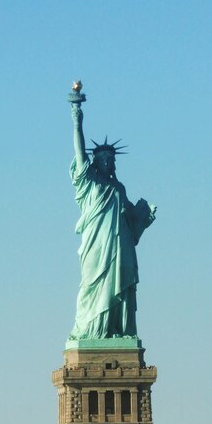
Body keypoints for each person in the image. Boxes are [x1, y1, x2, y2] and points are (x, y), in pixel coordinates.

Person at [68, 101, 156, 340]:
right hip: (96, 247)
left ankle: (116, 329)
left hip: (120, 246)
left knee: (121, 282)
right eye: (103, 158)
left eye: (110, 158)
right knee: (91, 285)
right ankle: (92, 330)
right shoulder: (89, 185)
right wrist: (77, 123)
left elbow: (130, 220)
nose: (107, 161)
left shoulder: (119, 188)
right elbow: (79, 152)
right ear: (94, 162)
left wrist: (143, 217)